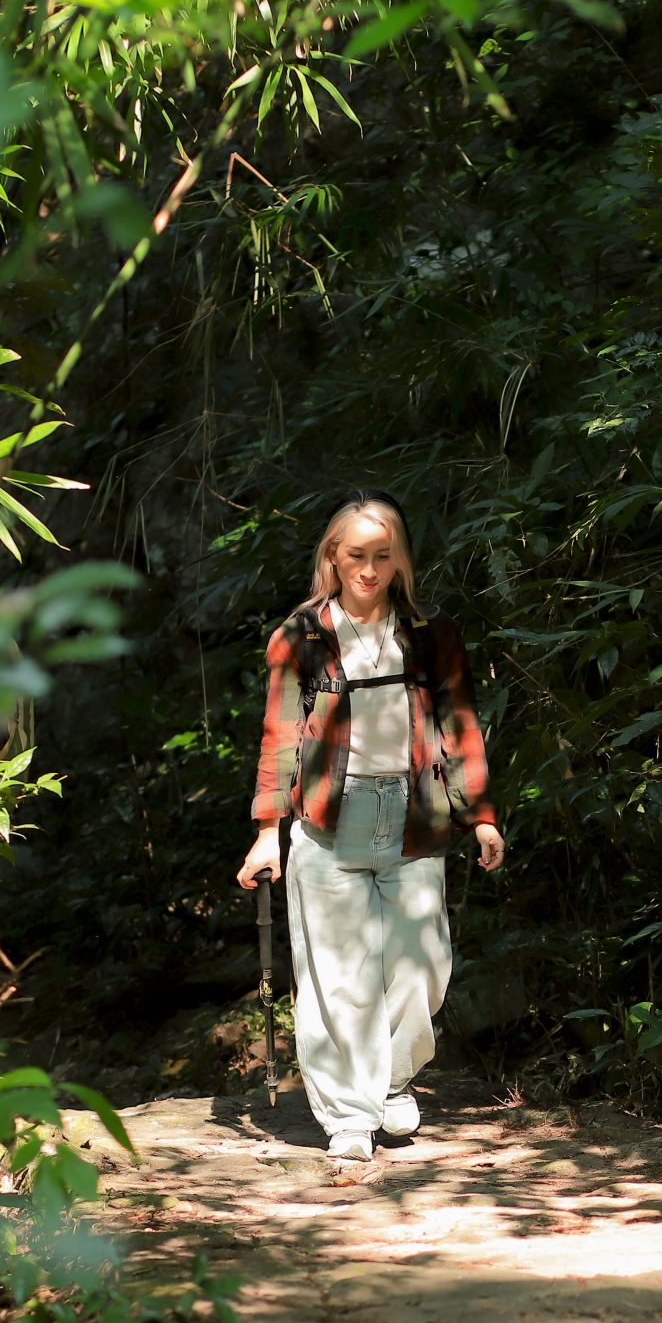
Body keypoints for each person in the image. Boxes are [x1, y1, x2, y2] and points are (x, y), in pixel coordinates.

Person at [235, 493, 503, 1163]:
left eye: (383, 556)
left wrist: (480, 816)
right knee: (338, 977)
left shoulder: (429, 631)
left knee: (422, 969)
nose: (369, 569)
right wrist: (267, 831)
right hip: (329, 821)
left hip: (414, 817)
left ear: (399, 559)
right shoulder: (302, 635)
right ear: (333, 555)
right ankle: (349, 1116)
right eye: (356, 555)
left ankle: (390, 1080)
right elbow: (279, 735)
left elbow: (459, 722)